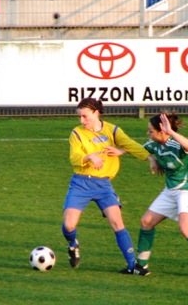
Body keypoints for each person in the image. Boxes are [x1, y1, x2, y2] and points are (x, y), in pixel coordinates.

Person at [62, 97, 157, 275]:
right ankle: (73, 244)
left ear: (96, 113)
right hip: (81, 183)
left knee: (117, 223)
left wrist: (149, 158)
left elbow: (130, 144)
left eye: (85, 116)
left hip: (104, 185)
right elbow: (74, 156)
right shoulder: (76, 133)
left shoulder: (112, 130)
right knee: (68, 225)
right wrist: (89, 157)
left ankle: (133, 266)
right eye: (79, 117)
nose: (82, 121)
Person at [135, 113, 188, 278]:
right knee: (146, 222)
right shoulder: (155, 144)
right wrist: (150, 158)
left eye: (151, 131)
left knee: (186, 228)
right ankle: (141, 266)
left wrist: (171, 132)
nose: (148, 134)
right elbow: (136, 149)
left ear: (162, 131)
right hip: (171, 190)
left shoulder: (175, 143)